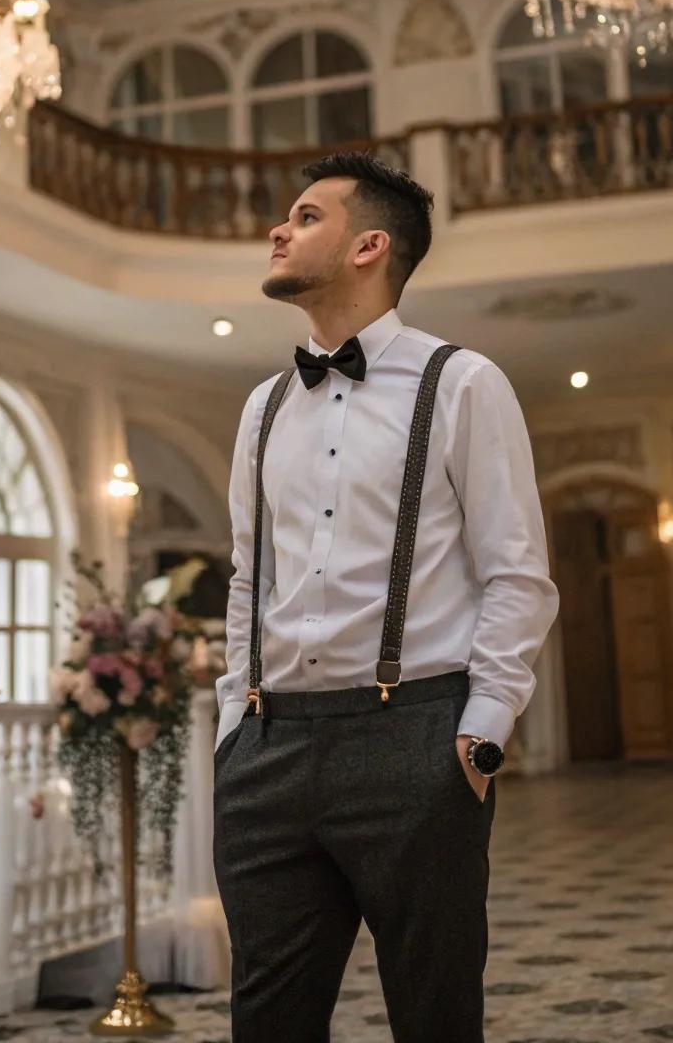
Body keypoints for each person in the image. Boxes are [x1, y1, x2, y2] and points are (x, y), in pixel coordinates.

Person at [212, 151, 559, 1043]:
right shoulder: (263, 406)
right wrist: (232, 728)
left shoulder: (464, 383)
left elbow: (516, 573)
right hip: (269, 748)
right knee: (268, 1018)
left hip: (417, 739)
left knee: (435, 1013)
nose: (277, 230)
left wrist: (481, 734)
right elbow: (252, 576)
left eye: (304, 215)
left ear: (370, 245)